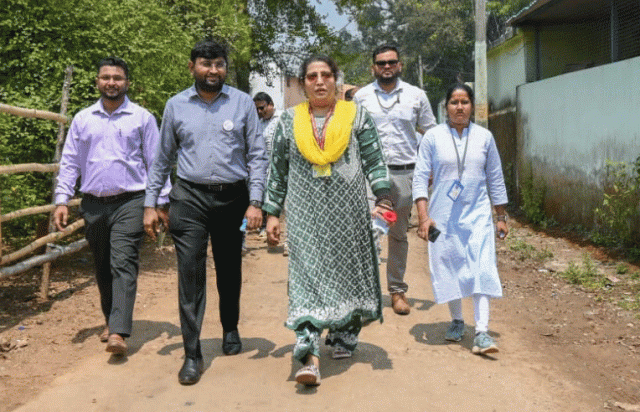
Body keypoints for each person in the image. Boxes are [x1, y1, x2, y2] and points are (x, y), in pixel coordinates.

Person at [263, 55, 393, 387]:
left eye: (326, 75)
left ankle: (344, 333)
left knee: (346, 274)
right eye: (312, 76)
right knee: (306, 280)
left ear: (336, 79)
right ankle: (309, 356)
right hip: (305, 216)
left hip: (348, 214)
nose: (319, 81)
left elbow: (374, 159)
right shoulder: (288, 121)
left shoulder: (356, 115)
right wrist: (272, 213)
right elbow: (277, 171)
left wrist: (383, 196)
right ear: (303, 84)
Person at [144, 39, 267, 385]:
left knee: (229, 268)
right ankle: (192, 353)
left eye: (219, 64)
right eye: (205, 64)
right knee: (190, 274)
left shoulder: (242, 103)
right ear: (192, 67)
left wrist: (255, 201)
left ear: (225, 68)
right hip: (189, 199)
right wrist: (150, 204)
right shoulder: (176, 105)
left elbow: (257, 154)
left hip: (232, 198)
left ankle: (230, 327)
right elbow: (162, 158)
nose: (213, 70)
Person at [53, 57, 171, 357]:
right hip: (93, 203)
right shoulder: (83, 119)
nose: (111, 82)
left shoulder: (142, 118)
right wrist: (62, 199)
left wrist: (160, 202)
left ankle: (119, 331)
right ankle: (111, 318)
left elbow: (156, 161)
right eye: (106, 77)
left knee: (123, 262)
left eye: (117, 78)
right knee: (103, 265)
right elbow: (70, 162)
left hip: (130, 201)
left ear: (127, 82)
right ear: (97, 82)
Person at [412, 83, 509, 355]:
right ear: (446, 107)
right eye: (454, 102)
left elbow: (495, 177)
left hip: (477, 213)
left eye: (464, 102)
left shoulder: (485, 137)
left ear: (472, 106)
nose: (459, 107)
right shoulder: (432, 138)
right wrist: (423, 216)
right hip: (442, 214)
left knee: (482, 267)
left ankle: (482, 332)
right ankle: (457, 321)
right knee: (448, 265)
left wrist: (500, 215)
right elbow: (420, 177)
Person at [354, 44, 436, 315]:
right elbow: (351, 134)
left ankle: (397, 291)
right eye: (381, 63)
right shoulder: (361, 97)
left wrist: (431, 168)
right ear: (373, 68)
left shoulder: (416, 96)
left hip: (405, 174)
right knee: (369, 233)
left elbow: (431, 133)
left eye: (391, 62)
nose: (386, 67)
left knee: (398, 235)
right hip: (369, 175)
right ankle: (365, 293)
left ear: (400, 65)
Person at [253, 92, 283, 246]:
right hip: (266, 168)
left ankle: (290, 241)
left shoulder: (283, 118)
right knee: (265, 198)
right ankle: (265, 228)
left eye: (262, 108)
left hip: (284, 168)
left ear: (271, 104)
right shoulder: (259, 123)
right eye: (257, 109)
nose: (260, 111)